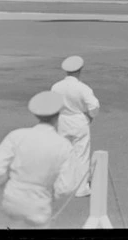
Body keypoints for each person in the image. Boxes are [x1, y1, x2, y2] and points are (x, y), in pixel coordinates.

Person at [0, 91, 77, 229]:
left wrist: (5, 183)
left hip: (10, 198)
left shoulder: (17, 136)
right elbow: (66, 186)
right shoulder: (64, 146)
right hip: (39, 205)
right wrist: (51, 195)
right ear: (58, 116)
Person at [51, 55, 100, 197]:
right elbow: (94, 105)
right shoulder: (82, 88)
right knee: (81, 154)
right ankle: (81, 188)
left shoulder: (56, 87)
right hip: (78, 120)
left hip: (62, 120)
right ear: (79, 70)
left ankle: (63, 184)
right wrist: (91, 115)